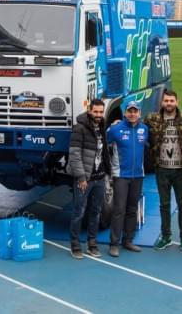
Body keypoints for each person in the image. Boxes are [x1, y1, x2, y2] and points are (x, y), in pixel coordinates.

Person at [144, 88, 182, 252]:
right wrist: (117, 122)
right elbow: (133, 123)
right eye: (166, 101)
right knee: (164, 205)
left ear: (176, 102)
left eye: (172, 101)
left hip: (180, 169)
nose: (169, 103)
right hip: (162, 169)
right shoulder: (152, 119)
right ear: (162, 102)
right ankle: (166, 236)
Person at [67, 99, 109, 259]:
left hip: (100, 177)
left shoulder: (103, 125)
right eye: (96, 112)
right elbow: (75, 154)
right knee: (79, 211)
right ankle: (75, 244)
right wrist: (81, 177)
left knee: (96, 211)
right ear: (89, 111)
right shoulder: (79, 128)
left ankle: (92, 243)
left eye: (101, 112)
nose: (98, 115)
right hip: (85, 179)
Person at [106, 100, 148, 257]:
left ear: (139, 113)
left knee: (132, 209)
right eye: (129, 111)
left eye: (135, 111)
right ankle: (114, 243)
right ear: (125, 113)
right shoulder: (115, 129)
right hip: (121, 176)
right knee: (119, 210)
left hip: (138, 175)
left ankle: (128, 240)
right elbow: (105, 144)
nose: (132, 114)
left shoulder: (144, 129)